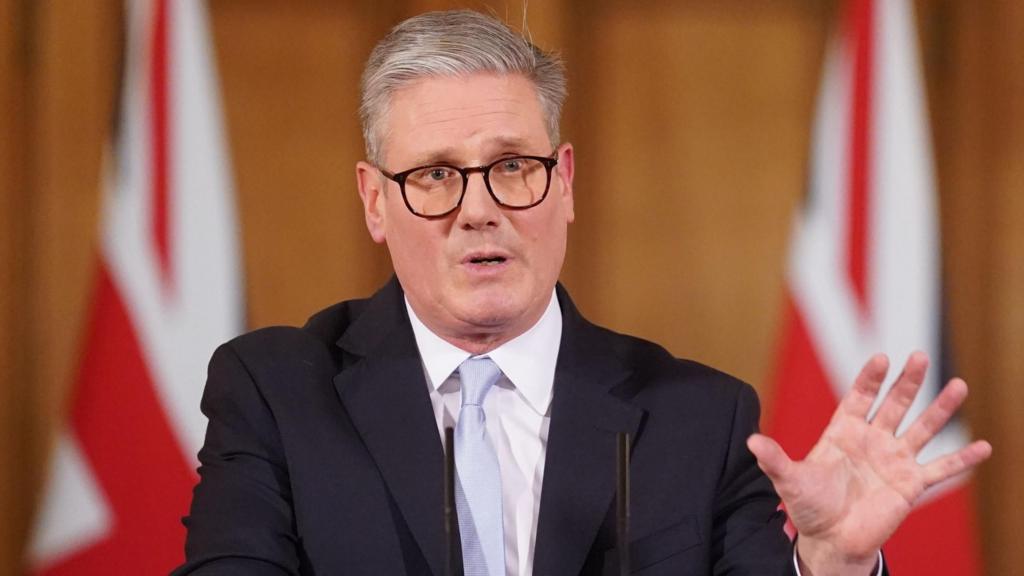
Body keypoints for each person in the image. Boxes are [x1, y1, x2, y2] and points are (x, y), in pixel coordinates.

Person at [173, 9, 991, 576]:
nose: (479, 209)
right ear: (374, 201)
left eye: (513, 167)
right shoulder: (278, 393)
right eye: (432, 176)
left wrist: (834, 562)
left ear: (563, 184)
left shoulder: (698, 420)